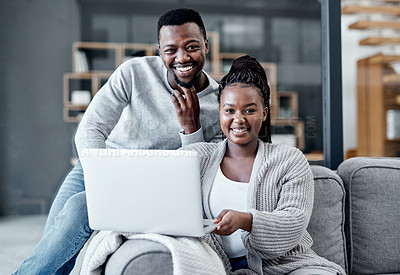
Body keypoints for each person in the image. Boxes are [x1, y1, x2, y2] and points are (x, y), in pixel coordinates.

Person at [14, 8, 221, 274]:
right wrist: (105, 181)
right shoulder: (135, 72)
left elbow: (202, 175)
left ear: (206, 44)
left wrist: (191, 128)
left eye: (191, 46)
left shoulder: (218, 104)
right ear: (159, 50)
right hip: (100, 167)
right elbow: (90, 129)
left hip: (153, 183)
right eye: (171, 50)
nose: (182, 57)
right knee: (55, 246)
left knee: (79, 208)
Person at [181, 55, 346, 274]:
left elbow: (294, 222)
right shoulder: (198, 158)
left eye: (249, 110)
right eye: (230, 110)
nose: (238, 119)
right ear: (220, 112)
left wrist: (246, 220)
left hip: (285, 266)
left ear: (264, 113)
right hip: (217, 266)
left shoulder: (289, 159)